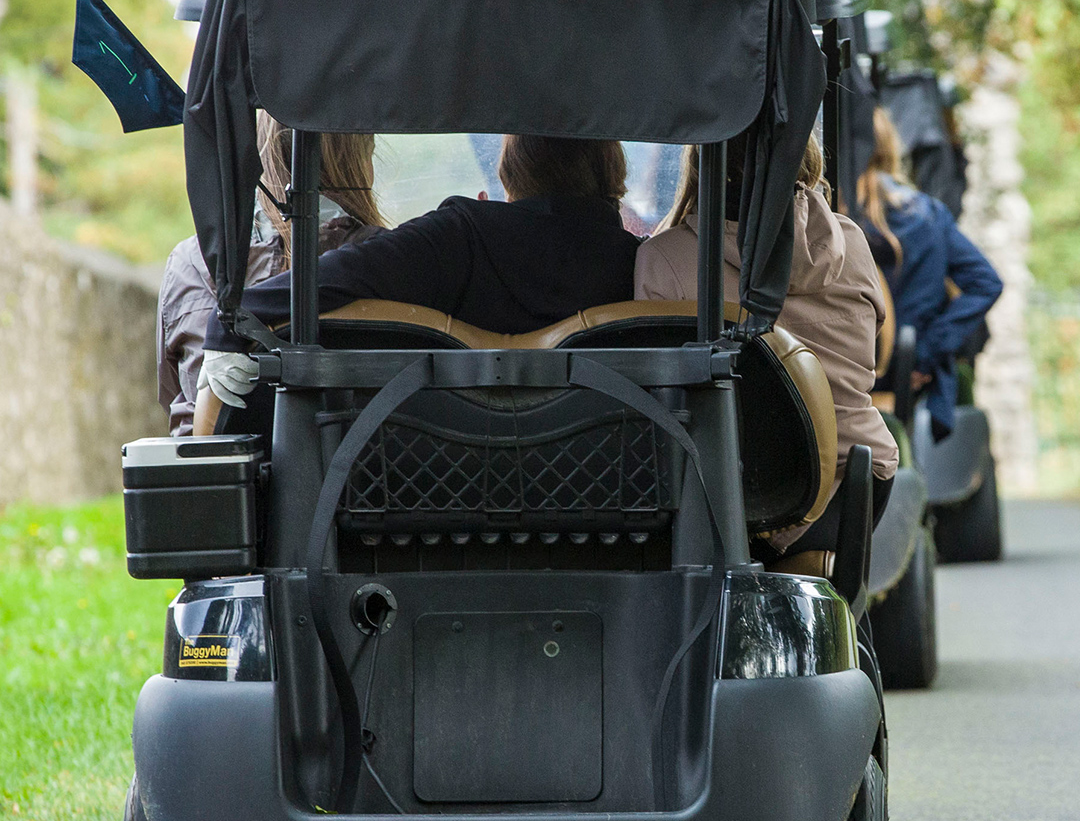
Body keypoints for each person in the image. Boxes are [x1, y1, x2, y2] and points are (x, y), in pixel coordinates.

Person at [198, 135, 640, 411]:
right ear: (611, 174)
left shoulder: (464, 237)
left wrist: (233, 321)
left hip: (438, 485)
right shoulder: (641, 264)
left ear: (511, 176)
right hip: (613, 490)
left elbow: (349, 271)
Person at [635, 134, 898, 556]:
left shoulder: (664, 256)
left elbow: (651, 383)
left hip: (738, 494)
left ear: (701, 162)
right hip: (855, 481)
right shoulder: (851, 241)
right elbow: (875, 331)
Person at [155, 113, 386, 435]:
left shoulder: (191, 260)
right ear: (357, 162)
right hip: (359, 466)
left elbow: (172, 394)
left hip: (217, 470)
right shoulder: (383, 257)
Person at [857, 106, 1002, 440]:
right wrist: (925, 354)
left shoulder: (832, 215)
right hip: (903, 376)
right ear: (889, 147)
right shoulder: (928, 214)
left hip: (839, 378)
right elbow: (986, 283)